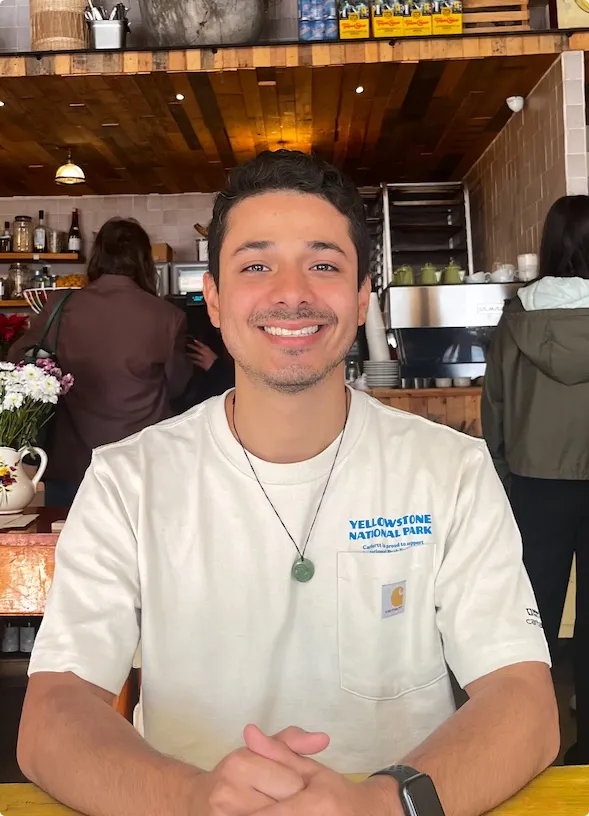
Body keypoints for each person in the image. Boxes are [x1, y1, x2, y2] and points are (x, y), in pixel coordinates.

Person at [18, 151, 558, 816]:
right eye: (255, 265)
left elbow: (524, 704)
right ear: (212, 298)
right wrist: (195, 797)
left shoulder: (448, 471)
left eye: (324, 264)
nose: (291, 291)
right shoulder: (130, 479)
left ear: (362, 296)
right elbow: (51, 717)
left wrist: (378, 805)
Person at [482, 194, 589, 766]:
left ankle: (531, 743)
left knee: (534, 613)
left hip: (536, 481)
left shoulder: (519, 317)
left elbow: (494, 403)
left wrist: (503, 472)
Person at [8, 217, 193, 507]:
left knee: (69, 547)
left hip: (72, 465)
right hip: (142, 464)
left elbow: (17, 362)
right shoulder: (168, 316)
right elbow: (178, 386)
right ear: (145, 261)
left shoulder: (61, 306)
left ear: (98, 256)